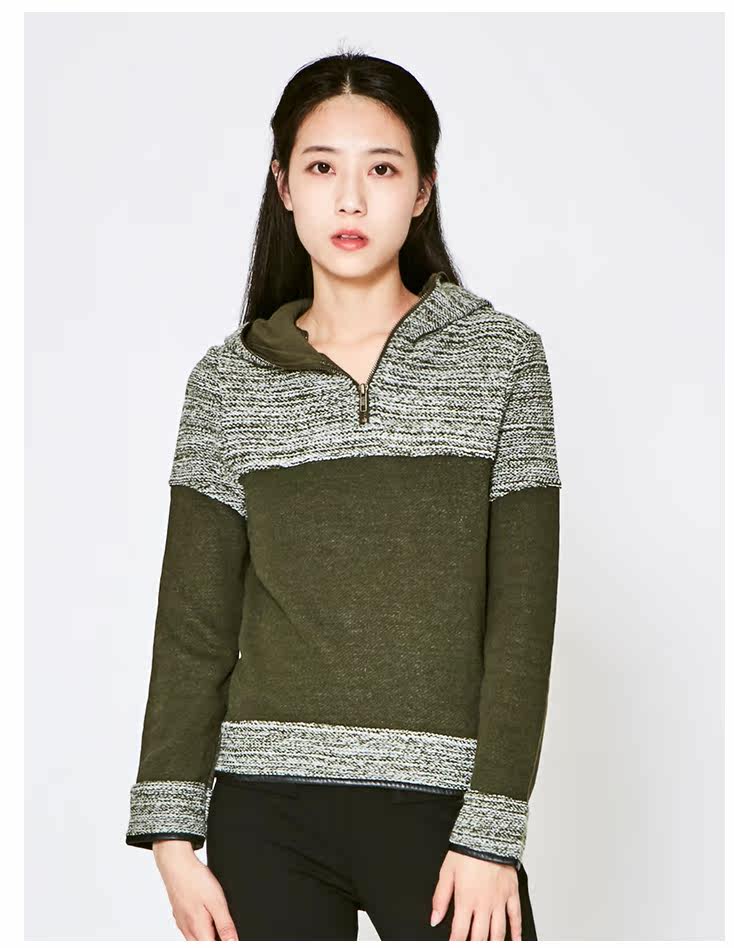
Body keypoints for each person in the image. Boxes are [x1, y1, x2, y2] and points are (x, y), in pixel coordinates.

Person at [125, 49, 561, 942]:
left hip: (446, 810)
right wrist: (172, 835)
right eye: (323, 168)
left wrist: (491, 832)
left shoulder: (501, 358)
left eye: (383, 170)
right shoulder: (226, 383)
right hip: (266, 812)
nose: (351, 201)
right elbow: (193, 625)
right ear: (284, 186)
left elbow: (521, 617)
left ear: (424, 188)